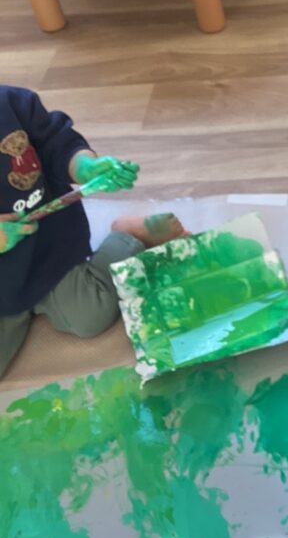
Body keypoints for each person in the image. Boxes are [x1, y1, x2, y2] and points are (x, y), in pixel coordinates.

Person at [0, 85, 185, 377]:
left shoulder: (11, 104)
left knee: (91, 314)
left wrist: (83, 166)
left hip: (48, 255)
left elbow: (56, 142)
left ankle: (127, 236)